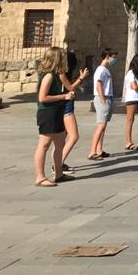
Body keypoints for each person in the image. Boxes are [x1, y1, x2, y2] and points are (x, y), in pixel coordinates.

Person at [33, 47, 76, 186]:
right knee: (44, 145)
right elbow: (42, 98)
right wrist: (64, 96)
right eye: (62, 57)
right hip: (48, 113)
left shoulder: (56, 75)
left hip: (57, 111)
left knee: (60, 143)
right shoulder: (49, 75)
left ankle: (59, 174)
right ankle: (40, 177)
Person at [59, 51, 90, 172]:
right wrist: (81, 78)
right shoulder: (61, 73)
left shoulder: (61, 73)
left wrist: (78, 77)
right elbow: (70, 88)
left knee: (63, 136)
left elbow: (70, 85)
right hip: (66, 106)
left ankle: (59, 163)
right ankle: (58, 164)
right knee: (74, 136)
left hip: (64, 105)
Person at [88, 50, 117, 160]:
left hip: (107, 98)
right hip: (103, 99)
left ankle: (99, 149)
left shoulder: (106, 70)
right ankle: (92, 152)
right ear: (107, 56)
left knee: (103, 126)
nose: (114, 59)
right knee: (101, 126)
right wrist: (102, 99)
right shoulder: (101, 70)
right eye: (113, 57)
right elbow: (98, 84)